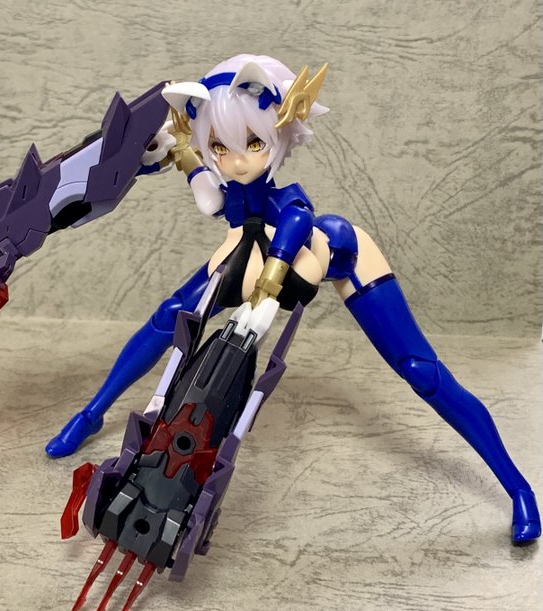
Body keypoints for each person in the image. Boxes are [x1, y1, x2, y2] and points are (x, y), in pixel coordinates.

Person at [44, 53, 540, 543]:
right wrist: (175, 155)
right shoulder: (228, 183)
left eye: (253, 142)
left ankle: (518, 488)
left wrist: (271, 279)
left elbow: (299, 219)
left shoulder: (292, 204)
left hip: (330, 252)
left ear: (280, 132)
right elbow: (211, 199)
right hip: (251, 248)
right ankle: (91, 414)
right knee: (169, 316)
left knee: (420, 371)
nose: (236, 161)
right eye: (220, 147)